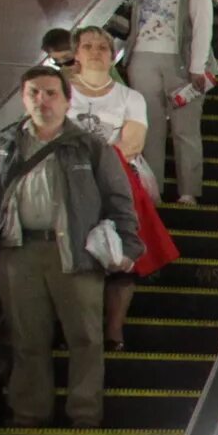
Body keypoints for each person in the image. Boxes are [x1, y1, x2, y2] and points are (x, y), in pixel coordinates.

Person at [0, 66, 139, 431]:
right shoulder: (4, 145)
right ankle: (29, 414)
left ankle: (84, 414)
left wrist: (128, 246)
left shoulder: (89, 146)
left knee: (85, 337)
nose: (42, 101)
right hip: (18, 251)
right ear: (23, 98)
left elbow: (119, 198)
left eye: (50, 93)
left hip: (75, 253)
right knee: (26, 337)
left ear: (67, 101)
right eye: (34, 93)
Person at [63, 28, 177, 350]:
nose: (96, 52)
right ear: (77, 54)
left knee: (123, 254)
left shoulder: (131, 97)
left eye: (103, 47)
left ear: (113, 55)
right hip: (70, 183)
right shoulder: (62, 92)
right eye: (88, 46)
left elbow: (133, 143)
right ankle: (81, 329)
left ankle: (114, 330)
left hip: (119, 181)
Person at [116, 0, 215, 205]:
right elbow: (125, 18)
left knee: (185, 128)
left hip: (181, 62)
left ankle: (188, 192)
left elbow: (202, 30)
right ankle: (152, 190)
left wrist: (197, 67)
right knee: (150, 127)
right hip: (141, 59)